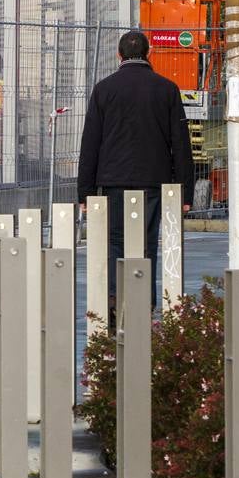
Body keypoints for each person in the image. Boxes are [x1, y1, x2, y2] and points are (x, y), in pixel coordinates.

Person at [77, 30, 193, 316]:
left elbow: (90, 142)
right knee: (147, 243)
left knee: (115, 241)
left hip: (114, 181)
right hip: (154, 180)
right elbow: (180, 144)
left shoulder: (104, 89)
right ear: (149, 52)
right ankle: (145, 301)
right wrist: (185, 192)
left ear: (118, 56)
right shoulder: (167, 89)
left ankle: (115, 297)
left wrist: (85, 193)